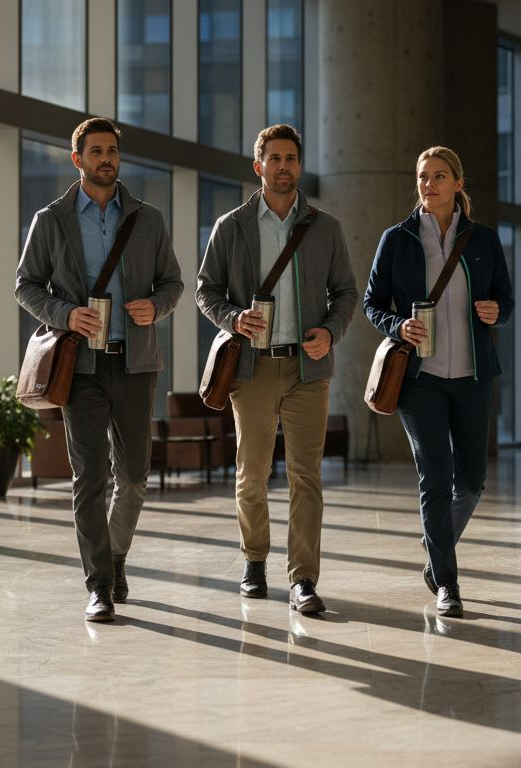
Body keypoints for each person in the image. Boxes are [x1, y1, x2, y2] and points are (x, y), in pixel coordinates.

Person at [15, 117, 183, 622]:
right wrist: (66, 315)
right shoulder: (52, 220)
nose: (106, 158)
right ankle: (99, 585)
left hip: (135, 363)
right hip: (80, 366)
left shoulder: (148, 219)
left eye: (112, 150)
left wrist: (156, 306)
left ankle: (114, 555)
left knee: (132, 477)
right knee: (89, 477)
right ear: (78, 159)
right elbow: (26, 285)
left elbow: (172, 282)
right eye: (96, 151)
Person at [196, 124, 357, 615]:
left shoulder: (325, 228)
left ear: (299, 165)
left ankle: (303, 578)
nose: (283, 166)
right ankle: (254, 561)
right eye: (275, 158)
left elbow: (346, 292)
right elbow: (206, 290)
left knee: (307, 476)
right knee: (253, 474)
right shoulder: (232, 226)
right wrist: (232, 318)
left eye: (291, 158)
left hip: (308, 368)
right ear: (258, 166)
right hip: (253, 367)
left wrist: (330, 331)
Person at [363, 146, 514, 617]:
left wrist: (496, 311)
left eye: (440, 176)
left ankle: (435, 547)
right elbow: (372, 303)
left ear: (458, 183)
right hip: (419, 378)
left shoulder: (483, 240)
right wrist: (398, 326)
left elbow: (506, 301)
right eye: (423, 176)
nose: (429, 184)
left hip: (473, 376)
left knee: (470, 483)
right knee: (435, 476)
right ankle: (448, 583)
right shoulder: (397, 239)